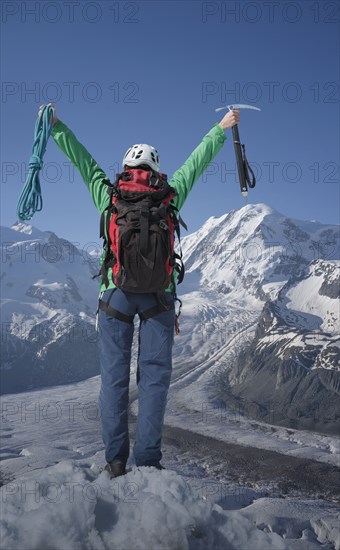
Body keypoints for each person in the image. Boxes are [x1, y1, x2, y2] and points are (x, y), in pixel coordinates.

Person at [46, 104, 240, 477]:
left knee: (113, 383)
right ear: (156, 167)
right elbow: (197, 163)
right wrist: (221, 127)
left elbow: (83, 162)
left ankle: (116, 461)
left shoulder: (109, 194)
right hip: (159, 299)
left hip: (115, 295)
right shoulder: (168, 195)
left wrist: (56, 127)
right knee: (153, 384)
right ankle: (148, 462)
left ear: (126, 168)